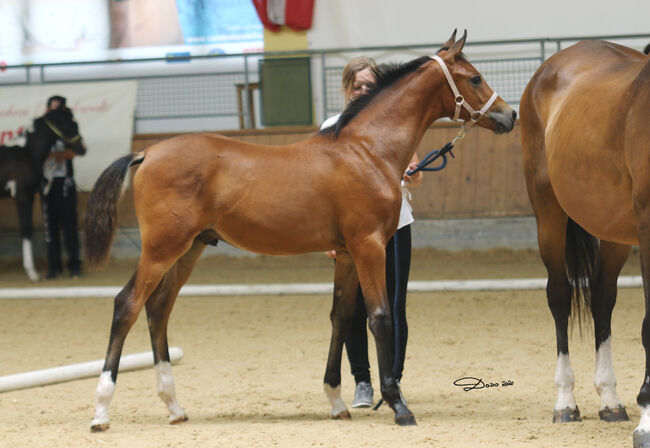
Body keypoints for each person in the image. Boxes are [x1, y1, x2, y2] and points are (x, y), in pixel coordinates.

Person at [320, 56, 423, 408]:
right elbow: (321, 184)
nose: (363, 91)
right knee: (353, 306)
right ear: (347, 88)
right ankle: (362, 380)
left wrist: (411, 171)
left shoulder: (394, 126)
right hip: (348, 232)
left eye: (369, 85)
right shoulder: (332, 126)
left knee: (394, 304)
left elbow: (417, 174)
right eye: (357, 85)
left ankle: (392, 379)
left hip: (396, 225)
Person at [41, 95, 86, 279]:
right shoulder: (42, 128)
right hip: (47, 185)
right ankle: (54, 267)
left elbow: (76, 150)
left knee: (69, 226)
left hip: (65, 184)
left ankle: (74, 266)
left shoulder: (69, 127)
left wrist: (55, 154)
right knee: (50, 228)